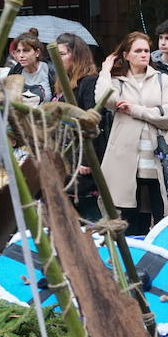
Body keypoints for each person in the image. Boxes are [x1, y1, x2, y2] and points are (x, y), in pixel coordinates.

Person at [95, 31, 168, 234]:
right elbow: (104, 100)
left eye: (146, 50)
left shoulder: (162, 80)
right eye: (138, 51)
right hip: (127, 161)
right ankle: (132, 261)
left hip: (159, 159)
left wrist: (135, 110)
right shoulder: (117, 82)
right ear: (126, 55)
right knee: (129, 218)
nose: (144, 54)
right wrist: (105, 70)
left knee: (163, 216)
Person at [54, 32, 103, 219]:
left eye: (62, 54)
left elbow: (92, 121)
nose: (58, 59)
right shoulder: (63, 82)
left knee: (90, 217)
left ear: (77, 55)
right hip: (65, 155)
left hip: (81, 157)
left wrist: (86, 160)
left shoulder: (89, 82)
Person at [7, 31, 56, 104]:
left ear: (37, 53)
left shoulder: (50, 71)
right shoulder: (15, 72)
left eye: (26, 51)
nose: (21, 55)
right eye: (18, 51)